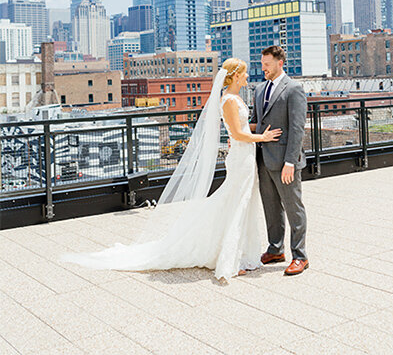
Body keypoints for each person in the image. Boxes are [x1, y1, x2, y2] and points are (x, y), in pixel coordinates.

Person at [63, 58, 280, 282]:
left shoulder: (236, 99)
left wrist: (261, 129)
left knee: (242, 201)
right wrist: (262, 137)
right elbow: (236, 133)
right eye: (244, 73)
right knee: (235, 202)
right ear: (235, 76)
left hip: (246, 156)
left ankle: (238, 252)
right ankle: (226, 254)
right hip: (240, 157)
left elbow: (243, 127)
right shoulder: (229, 101)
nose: (247, 76)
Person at [250, 45, 309, 276]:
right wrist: (234, 130)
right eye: (262, 63)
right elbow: (257, 123)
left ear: (279, 63)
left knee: (294, 208)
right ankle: (275, 249)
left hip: (286, 161)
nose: (262, 68)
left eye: (266, 64)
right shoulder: (258, 89)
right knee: (271, 208)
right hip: (263, 159)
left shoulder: (294, 89)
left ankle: (300, 256)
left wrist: (290, 162)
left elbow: (297, 129)